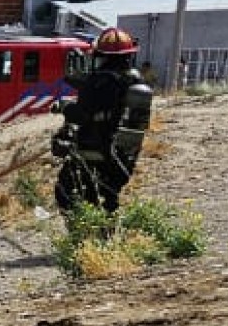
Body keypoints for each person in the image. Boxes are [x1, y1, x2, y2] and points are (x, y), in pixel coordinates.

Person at [53, 27, 153, 214]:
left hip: (94, 151)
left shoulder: (98, 82)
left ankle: (84, 238)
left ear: (101, 55)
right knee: (107, 198)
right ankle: (104, 238)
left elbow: (82, 115)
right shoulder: (135, 82)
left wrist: (65, 107)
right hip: (122, 157)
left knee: (67, 194)